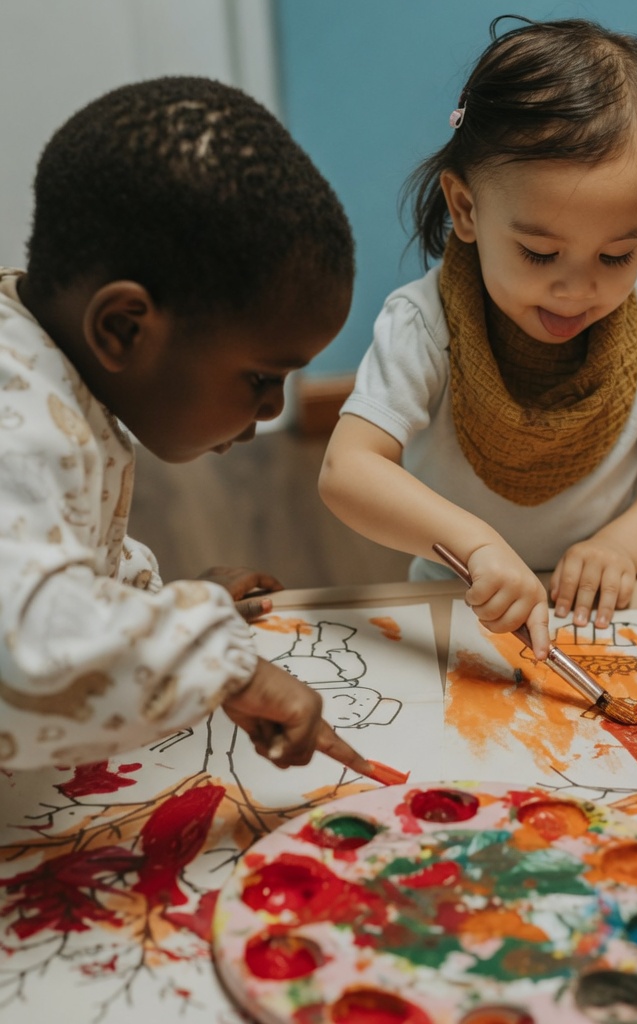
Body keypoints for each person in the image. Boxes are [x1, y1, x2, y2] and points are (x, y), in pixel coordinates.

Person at [0, 75, 375, 775]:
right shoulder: (16, 424)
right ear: (123, 328)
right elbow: (25, 650)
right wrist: (220, 663)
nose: (273, 411)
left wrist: (163, 605)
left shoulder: (46, 368)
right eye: (261, 379)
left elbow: (54, 550)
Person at [319, 16, 637, 658]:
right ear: (466, 207)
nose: (576, 290)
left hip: (599, 608)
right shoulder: (424, 324)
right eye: (539, 253)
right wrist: (475, 548)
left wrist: (620, 547)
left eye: (617, 255)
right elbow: (348, 470)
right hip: (458, 601)